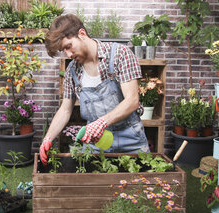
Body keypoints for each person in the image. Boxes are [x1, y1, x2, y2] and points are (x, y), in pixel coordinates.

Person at [39, 14, 149, 165]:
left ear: (82, 34)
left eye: (68, 46)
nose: (69, 55)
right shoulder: (72, 71)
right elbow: (65, 109)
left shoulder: (119, 54)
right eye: (64, 51)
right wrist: (48, 138)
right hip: (95, 143)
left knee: (139, 184)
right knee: (92, 185)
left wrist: (101, 122)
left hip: (131, 138)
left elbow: (132, 101)